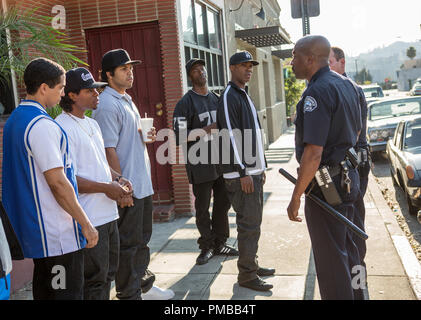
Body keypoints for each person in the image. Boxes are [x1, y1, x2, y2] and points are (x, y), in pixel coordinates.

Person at [2, 58, 98, 300]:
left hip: (39, 234)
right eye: (60, 87)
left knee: (47, 294)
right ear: (44, 87)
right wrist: (85, 223)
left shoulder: (14, 119)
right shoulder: (42, 125)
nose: (63, 93)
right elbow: (57, 181)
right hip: (57, 237)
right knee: (64, 295)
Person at [92, 48, 174, 300]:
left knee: (142, 240)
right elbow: (108, 150)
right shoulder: (106, 104)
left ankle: (141, 287)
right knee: (128, 245)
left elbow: (125, 140)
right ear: (108, 74)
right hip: (128, 187)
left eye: (131, 68)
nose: (130, 73)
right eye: (124, 69)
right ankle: (129, 294)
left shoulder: (126, 98)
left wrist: (143, 137)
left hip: (141, 181)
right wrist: (121, 187)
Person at [287, 35, 364, 300]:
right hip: (348, 178)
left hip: (326, 183)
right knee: (351, 251)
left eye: (295, 56)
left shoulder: (317, 92)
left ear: (310, 59)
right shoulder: (347, 85)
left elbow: (313, 154)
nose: (291, 61)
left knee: (332, 263)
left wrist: (296, 197)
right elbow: (356, 131)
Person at [56, 67, 133, 300]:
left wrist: (117, 179)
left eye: (97, 89)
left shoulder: (93, 124)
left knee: (108, 275)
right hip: (89, 218)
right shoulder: (61, 127)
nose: (97, 94)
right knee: (94, 281)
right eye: (90, 90)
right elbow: (67, 179)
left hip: (108, 215)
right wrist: (106, 188)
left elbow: (100, 165)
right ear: (72, 95)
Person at [217, 51, 275, 292]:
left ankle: (251, 263)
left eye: (250, 65)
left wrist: (260, 166)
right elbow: (230, 135)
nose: (248, 69)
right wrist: (243, 172)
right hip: (240, 173)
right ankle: (247, 276)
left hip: (251, 170)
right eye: (243, 65)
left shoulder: (243, 94)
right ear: (232, 68)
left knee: (253, 223)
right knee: (248, 224)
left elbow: (253, 134)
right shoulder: (229, 95)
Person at [173, 58, 238, 265]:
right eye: (195, 69)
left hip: (221, 163)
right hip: (200, 163)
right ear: (189, 76)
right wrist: (207, 130)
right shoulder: (185, 103)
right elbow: (180, 136)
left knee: (222, 205)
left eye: (202, 68)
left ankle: (220, 243)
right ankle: (207, 246)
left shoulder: (217, 99)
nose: (200, 71)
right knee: (202, 208)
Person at [329, 46, 370, 288]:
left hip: (353, 167)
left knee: (354, 228)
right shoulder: (336, 88)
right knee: (345, 227)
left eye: (330, 62)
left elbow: (353, 135)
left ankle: (358, 283)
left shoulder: (350, 90)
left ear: (342, 63)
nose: (327, 67)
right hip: (346, 167)